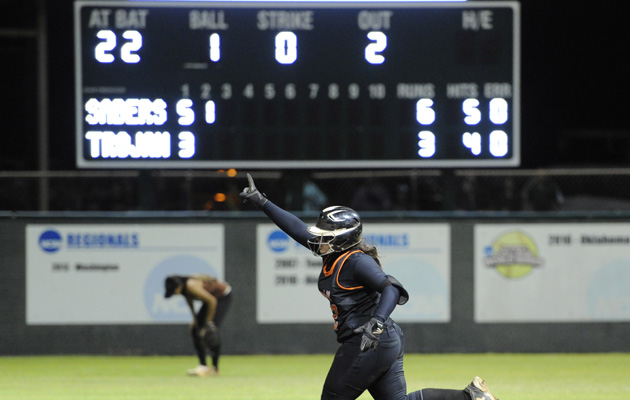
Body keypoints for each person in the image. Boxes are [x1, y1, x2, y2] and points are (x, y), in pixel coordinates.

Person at [240, 173, 499, 400]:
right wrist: (261, 201)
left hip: (367, 340)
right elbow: (297, 228)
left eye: (325, 235)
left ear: (341, 239)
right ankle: (472, 396)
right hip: (383, 339)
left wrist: (375, 323)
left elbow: (392, 289)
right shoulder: (334, 252)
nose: (317, 238)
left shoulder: (355, 261)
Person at [164, 274, 233, 377]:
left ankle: (215, 368)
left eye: (174, 291)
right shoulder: (183, 289)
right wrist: (195, 321)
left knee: (210, 332)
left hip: (222, 297)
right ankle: (203, 366)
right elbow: (190, 302)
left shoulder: (192, 286)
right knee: (195, 329)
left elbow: (212, 301)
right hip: (211, 299)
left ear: (179, 286)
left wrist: (208, 324)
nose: (174, 293)